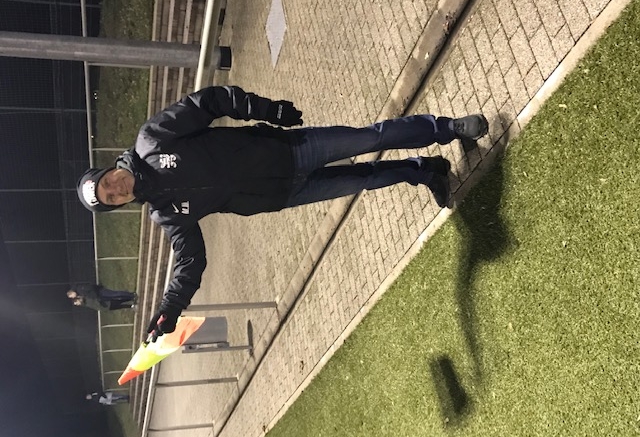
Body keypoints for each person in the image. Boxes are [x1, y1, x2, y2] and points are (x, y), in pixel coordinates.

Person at [75, 86, 488, 340]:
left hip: (287, 151)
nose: (116, 190)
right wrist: (170, 308)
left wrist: (266, 110)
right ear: (118, 206)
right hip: (281, 195)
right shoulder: (165, 215)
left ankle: (448, 128)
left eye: (108, 183)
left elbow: (210, 102)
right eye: (110, 199)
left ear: (107, 170)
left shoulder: (151, 140)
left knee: (370, 138)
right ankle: (424, 171)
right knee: (362, 179)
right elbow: (190, 259)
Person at [67, 283, 137, 311]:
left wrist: (96, 296)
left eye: (71, 296)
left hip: (100, 292)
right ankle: (131, 298)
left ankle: (131, 294)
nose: (73, 297)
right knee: (114, 298)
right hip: (99, 297)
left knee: (115, 294)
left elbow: (91, 288)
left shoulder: (80, 288)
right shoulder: (79, 294)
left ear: (72, 292)